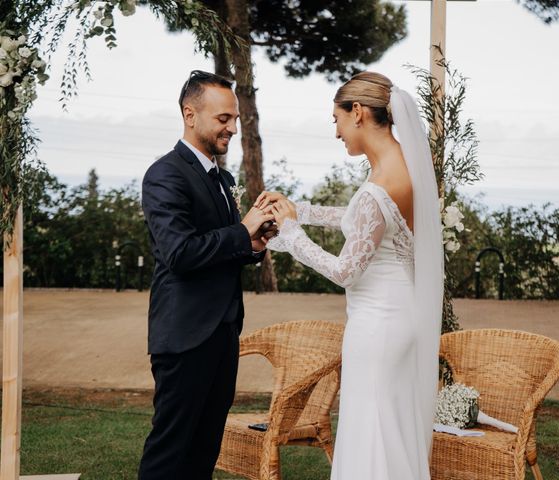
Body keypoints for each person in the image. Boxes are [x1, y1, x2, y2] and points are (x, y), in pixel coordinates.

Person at [256, 72, 444, 479]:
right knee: (387, 427)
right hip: (396, 318)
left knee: (372, 429)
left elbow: (346, 270)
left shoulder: (384, 181)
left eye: (336, 120)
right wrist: (299, 211)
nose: (337, 132)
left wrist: (291, 233)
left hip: (378, 326)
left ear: (357, 113)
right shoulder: (399, 166)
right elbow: (362, 222)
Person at [138, 70, 275, 480]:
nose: (233, 127)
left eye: (234, 119)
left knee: (204, 450)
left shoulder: (222, 177)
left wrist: (253, 243)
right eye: (223, 119)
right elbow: (179, 253)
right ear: (190, 114)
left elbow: (220, 246)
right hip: (184, 336)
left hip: (222, 332)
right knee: (171, 452)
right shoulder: (164, 175)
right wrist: (241, 230)